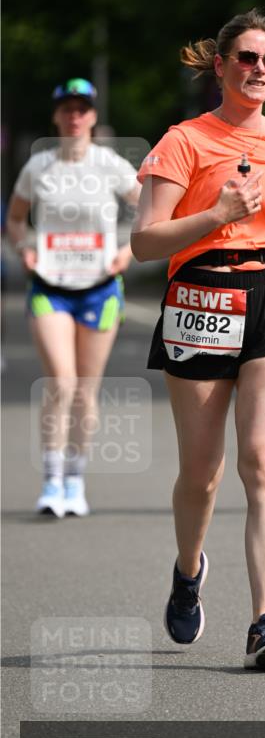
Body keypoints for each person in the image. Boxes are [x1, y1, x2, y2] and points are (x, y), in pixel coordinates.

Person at [131, 8, 265, 670]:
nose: (259, 70)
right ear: (219, 66)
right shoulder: (183, 142)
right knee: (203, 473)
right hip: (201, 296)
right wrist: (217, 214)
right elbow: (143, 241)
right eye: (247, 58)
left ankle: (263, 624)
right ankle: (189, 571)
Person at [6, 78, 139, 517]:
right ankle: (51, 481)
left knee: (85, 390)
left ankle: (76, 480)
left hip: (100, 288)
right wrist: (24, 250)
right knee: (60, 383)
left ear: (93, 116)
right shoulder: (38, 167)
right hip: (51, 288)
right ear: (56, 116)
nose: (74, 116)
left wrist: (126, 251)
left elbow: (153, 209)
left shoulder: (111, 164)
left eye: (82, 108)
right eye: (67, 108)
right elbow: (16, 218)